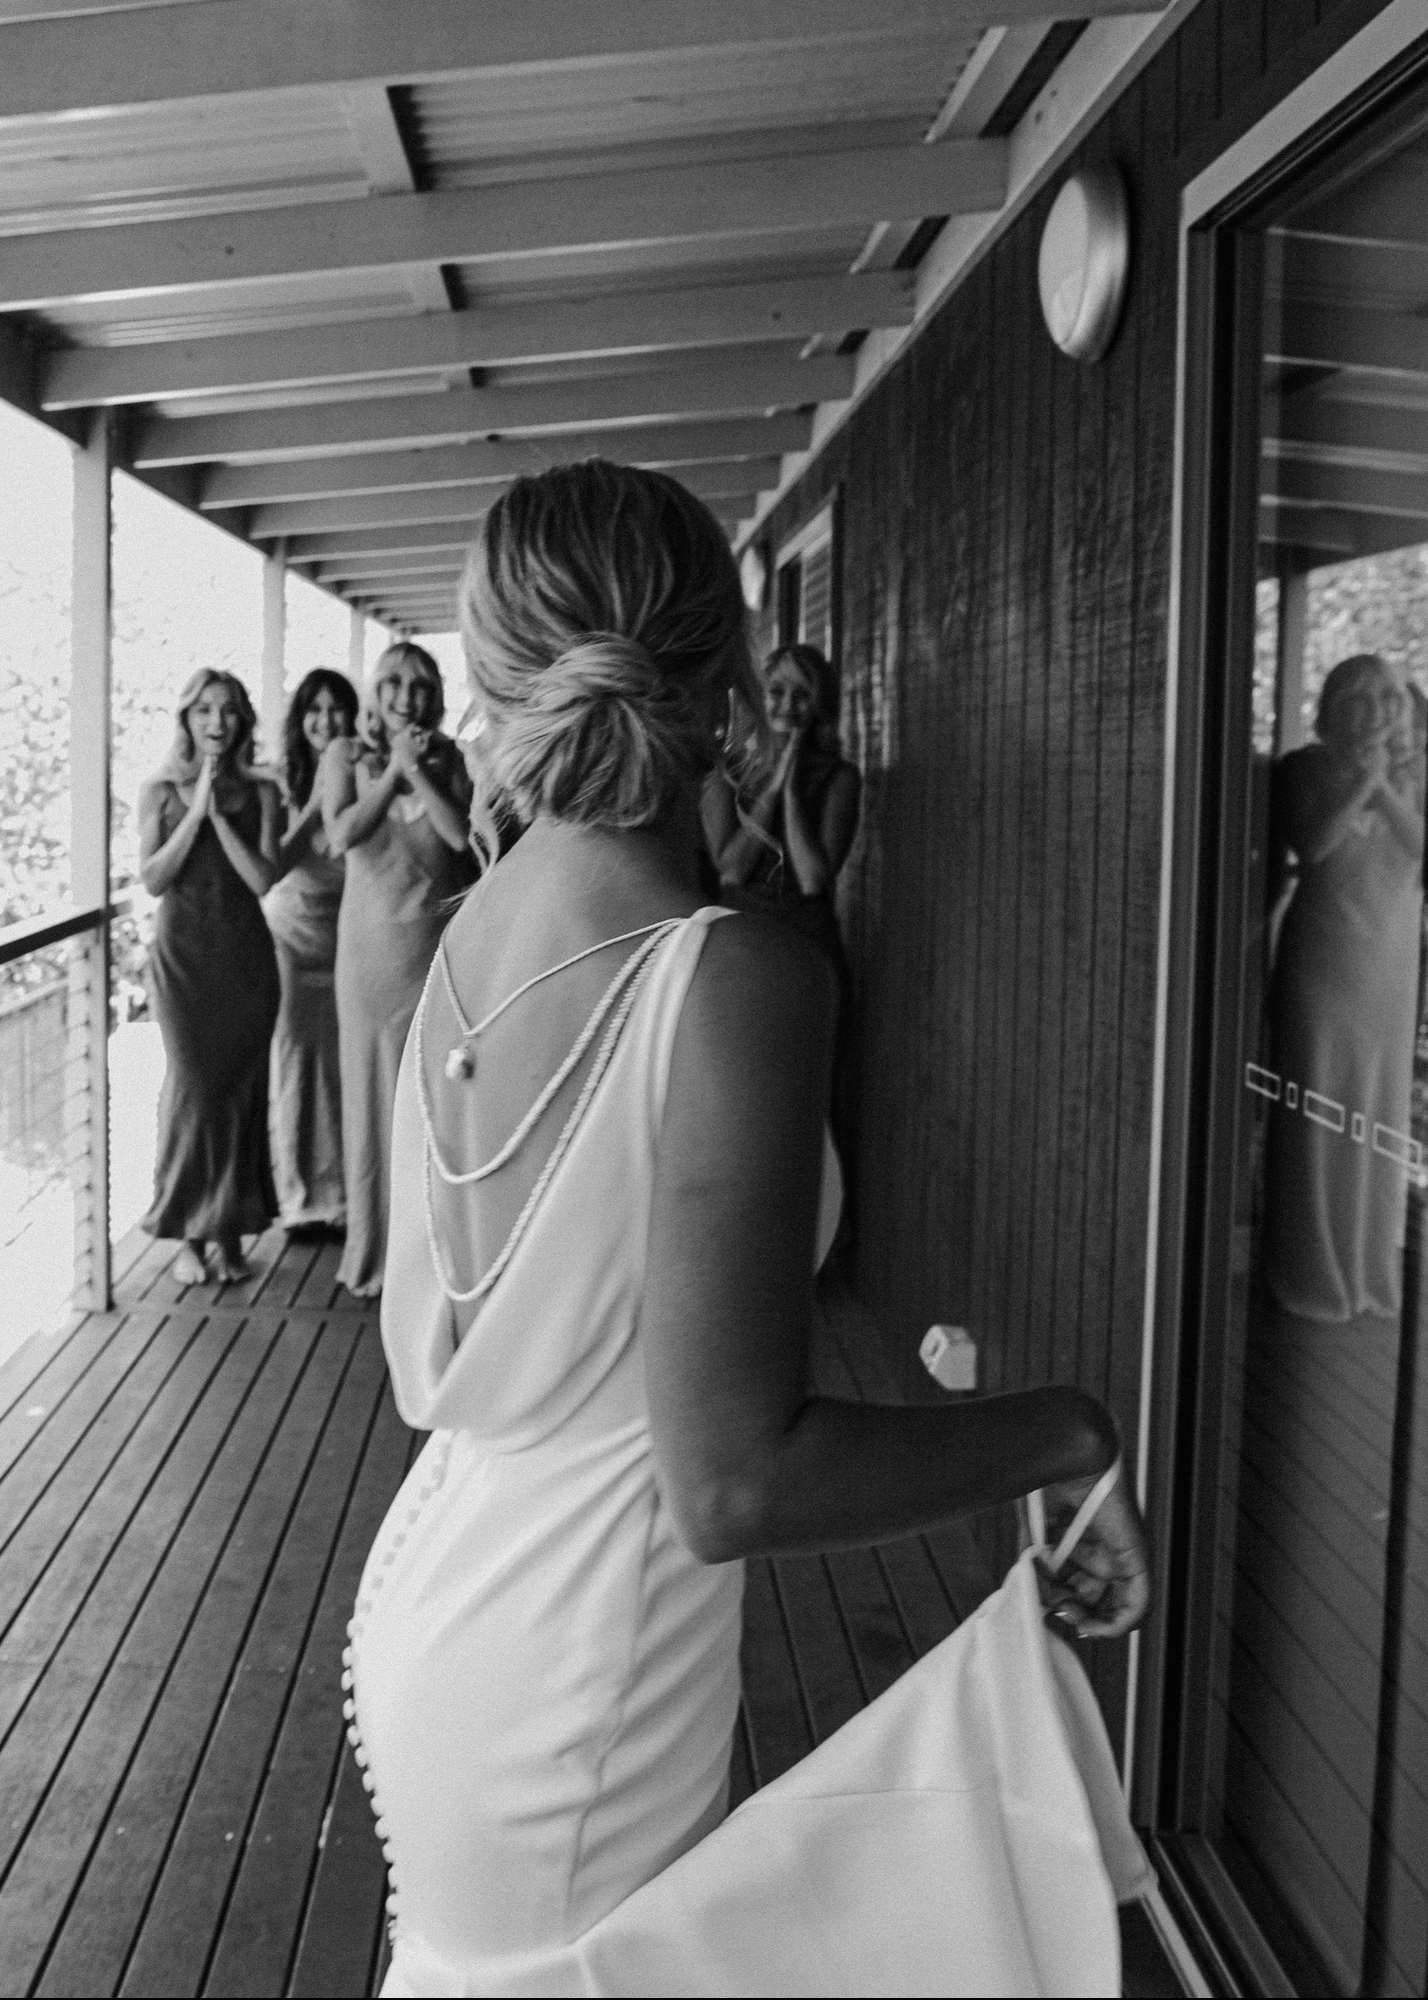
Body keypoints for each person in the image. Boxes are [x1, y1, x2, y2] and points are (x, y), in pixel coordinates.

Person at [343, 460, 1150, 1997]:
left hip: (446, 1598)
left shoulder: (465, 934)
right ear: (728, 673)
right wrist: (1069, 1433)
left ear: (493, 680)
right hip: (580, 1675)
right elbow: (734, 1482)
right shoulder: (732, 979)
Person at [1262, 653, 1425, 1321]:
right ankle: (1309, 1270)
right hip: (1323, 963)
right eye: (1360, 698)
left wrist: (1386, 786)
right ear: (1334, 707)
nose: (1377, 711)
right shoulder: (1302, 768)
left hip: (1390, 970)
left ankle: (1367, 1269)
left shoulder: (1419, 772)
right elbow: (1314, 845)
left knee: (1377, 1108)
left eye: (1388, 698)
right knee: (1316, 1100)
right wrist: (1363, 781)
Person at [324, 642, 475, 1297]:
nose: (405, 698)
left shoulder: (451, 760)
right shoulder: (344, 756)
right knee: (369, 1099)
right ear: (376, 692)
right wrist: (392, 769)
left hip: (433, 949)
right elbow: (341, 834)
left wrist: (417, 769)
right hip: (368, 956)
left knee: (428, 1098)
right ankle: (374, 1255)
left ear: (432, 695)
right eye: (393, 684)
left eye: (418, 686)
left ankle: (429, 1255)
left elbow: (461, 838)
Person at [137, 669, 281, 1286]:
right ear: (187, 719)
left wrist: (220, 815)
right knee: (193, 1093)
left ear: (242, 720)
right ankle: (188, 1236)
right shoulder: (158, 790)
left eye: (227, 710)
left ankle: (228, 1234)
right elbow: (152, 878)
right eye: (204, 710)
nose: (216, 722)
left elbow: (263, 879)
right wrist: (194, 811)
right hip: (183, 963)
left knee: (238, 1096)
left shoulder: (263, 791)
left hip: (244, 962)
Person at [265, 667, 359, 1237]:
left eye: (335, 708)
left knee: (346, 1067)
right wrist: (316, 799)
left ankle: (347, 1197)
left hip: (351, 937)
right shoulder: (281, 782)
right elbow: (273, 863)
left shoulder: (364, 771)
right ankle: (300, 1200)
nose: (325, 720)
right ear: (300, 720)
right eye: (314, 710)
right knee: (297, 1064)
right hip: (291, 940)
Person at [702, 641, 861, 966]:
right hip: (740, 943)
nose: (788, 705)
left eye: (802, 695)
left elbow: (812, 880)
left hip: (809, 945)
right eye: (776, 692)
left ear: (818, 705)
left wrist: (790, 792)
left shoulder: (840, 777)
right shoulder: (724, 773)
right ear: (759, 698)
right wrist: (772, 790)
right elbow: (732, 871)